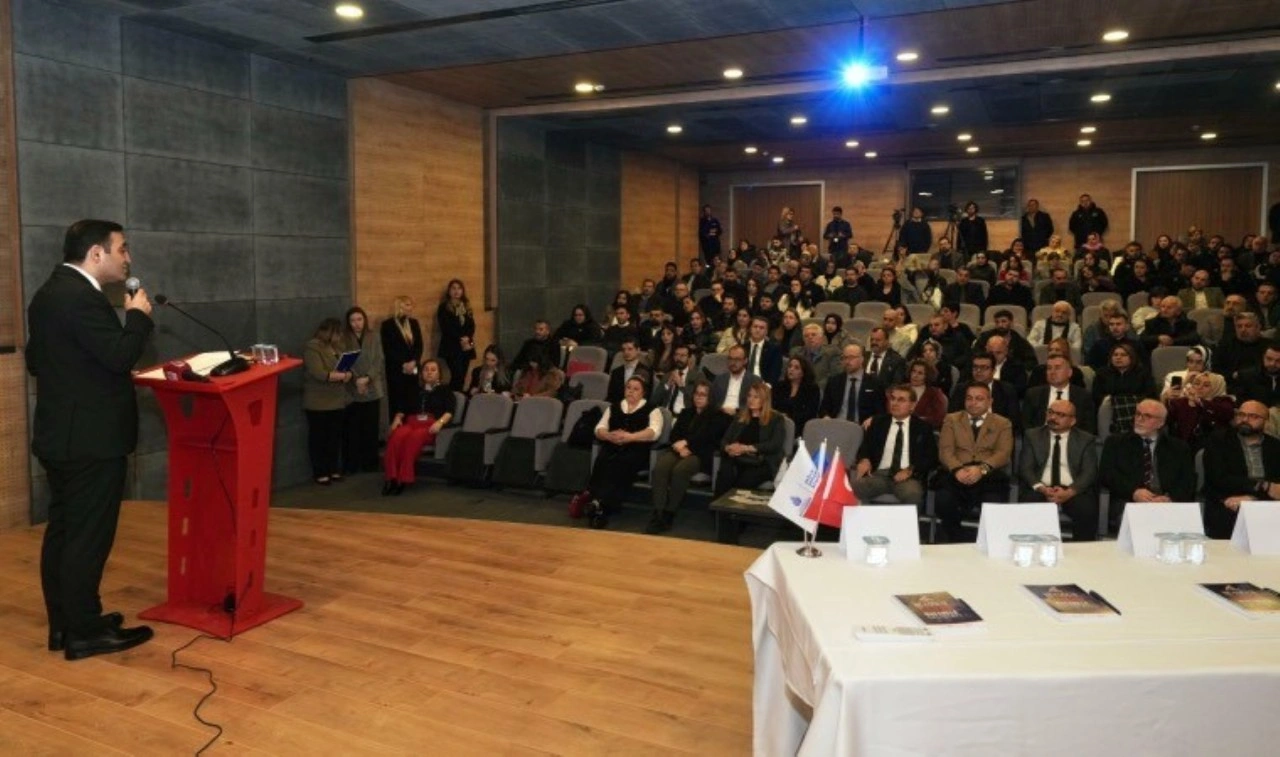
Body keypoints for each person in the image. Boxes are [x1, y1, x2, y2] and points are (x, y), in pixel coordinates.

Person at [27, 218, 156, 660]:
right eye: (122, 249)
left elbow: (39, 360)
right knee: (88, 538)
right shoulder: (82, 298)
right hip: (91, 440)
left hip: (61, 436)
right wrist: (137, 317)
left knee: (65, 532)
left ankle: (66, 624)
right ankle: (85, 632)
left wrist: (93, 374)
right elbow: (119, 355)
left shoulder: (48, 293)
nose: (128, 258)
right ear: (96, 254)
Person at [647, 381, 730, 534]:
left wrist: (687, 444)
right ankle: (658, 512)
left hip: (700, 454)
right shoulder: (686, 412)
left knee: (680, 470)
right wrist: (680, 447)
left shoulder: (719, 416)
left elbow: (709, 438)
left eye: (703, 394)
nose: (699, 397)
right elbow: (674, 435)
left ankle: (669, 512)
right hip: (679, 450)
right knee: (660, 467)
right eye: (697, 393)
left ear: (711, 397)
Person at [936, 383, 1014, 542]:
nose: (973, 403)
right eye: (969, 398)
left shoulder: (1003, 423)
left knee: (994, 501)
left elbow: (1003, 453)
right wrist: (957, 470)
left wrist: (981, 469)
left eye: (979, 399)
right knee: (944, 500)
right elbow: (946, 451)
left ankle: (990, 542)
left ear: (990, 401)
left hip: (988, 474)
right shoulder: (951, 419)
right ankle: (954, 539)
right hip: (957, 472)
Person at [581, 376, 662, 529]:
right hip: (612, 445)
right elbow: (599, 428)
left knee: (621, 463)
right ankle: (599, 506)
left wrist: (630, 437)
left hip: (636, 449)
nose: (631, 391)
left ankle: (599, 504)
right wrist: (608, 436)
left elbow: (654, 432)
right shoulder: (614, 407)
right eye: (628, 388)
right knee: (602, 460)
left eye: (636, 389)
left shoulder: (653, 409)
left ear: (643, 393)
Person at [1019, 400, 1100, 541]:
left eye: (1060, 415)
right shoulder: (1032, 435)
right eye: (1050, 412)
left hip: (1072, 489)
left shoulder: (1085, 439)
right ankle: (1030, 547)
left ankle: (1083, 551)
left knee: (1086, 510)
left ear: (1072, 421)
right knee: (1029, 502)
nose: (1053, 418)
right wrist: (1042, 488)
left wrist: (1069, 492)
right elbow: (1026, 468)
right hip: (1041, 488)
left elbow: (1089, 472)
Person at [1098, 399, 1196, 513]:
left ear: (1161, 423)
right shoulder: (1115, 443)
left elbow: (1187, 481)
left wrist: (1169, 498)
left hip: (1167, 503)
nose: (1140, 419)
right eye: (1138, 414)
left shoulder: (1179, 448)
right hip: (1129, 500)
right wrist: (1133, 492)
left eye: (1147, 416)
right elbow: (1107, 475)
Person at [1202, 401, 1280, 538]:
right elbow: (1218, 479)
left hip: (1268, 506)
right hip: (1227, 501)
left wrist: (1253, 498)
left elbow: (1277, 488)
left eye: (1253, 416)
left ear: (1266, 422)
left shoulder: (1275, 446)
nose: (1245, 420)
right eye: (1241, 415)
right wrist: (1263, 486)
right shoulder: (1218, 441)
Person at [852, 385, 938, 505]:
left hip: (907, 477)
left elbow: (931, 458)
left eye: (901, 400)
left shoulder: (922, 428)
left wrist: (910, 470)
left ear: (912, 405)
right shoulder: (878, 423)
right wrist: (865, 460)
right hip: (879, 475)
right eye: (893, 399)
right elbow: (865, 448)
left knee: (912, 493)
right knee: (854, 486)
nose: (895, 403)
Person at [382, 359, 455, 496]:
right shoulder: (415, 389)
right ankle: (391, 478)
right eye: (426, 369)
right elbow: (403, 407)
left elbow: (450, 411)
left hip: (429, 425)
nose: (429, 372)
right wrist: (397, 418)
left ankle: (403, 478)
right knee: (396, 436)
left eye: (433, 370)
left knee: (413, 438)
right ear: (421, 373)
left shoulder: (445, 390)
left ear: (439, 373)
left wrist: (440, 422)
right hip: (412, 422)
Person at [714, 383, 787, 496]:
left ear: (764, 400)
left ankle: (733, 506)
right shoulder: (740, 417)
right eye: (749, 396)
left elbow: (775, 444)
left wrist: (746, 448)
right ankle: (718, 506)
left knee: (744, 480)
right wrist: (729, 448)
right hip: (738, 458)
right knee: (725, 473)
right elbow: (725, 440)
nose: (751, 400)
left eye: (756, 397)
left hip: (762, 461)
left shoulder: (776, 419)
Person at [303, 318, 352, 486]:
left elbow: (345, 366)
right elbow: (319, 373)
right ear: (328, 332)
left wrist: (348, 373)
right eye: (337, 333)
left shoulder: (337, 347)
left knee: (334, 437)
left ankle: (333, 469)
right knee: (319, 439)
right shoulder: (312, 347)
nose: (339, 336)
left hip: (337, 400)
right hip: (318, 401)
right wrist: (342, 375)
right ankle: (320, 472)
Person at [342, 306, 385, 474]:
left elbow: (378, 360)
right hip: (352, 389)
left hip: (372, 386)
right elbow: (344, 361)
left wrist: (367, 378)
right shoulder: (344, 339)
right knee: (352, 429)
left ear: (364, 320)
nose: (356, 323)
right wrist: (357, 379)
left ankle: (370, 463)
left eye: (359, 319)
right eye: (353, 320)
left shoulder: (374, 336)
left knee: (371, 428)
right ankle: (352, 464)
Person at [1024, 355, 1097, 433]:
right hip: (1041, 438)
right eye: (1049, 368)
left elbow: (1088, 429)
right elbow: (1027, 427)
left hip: (1073, 439)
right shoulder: (1033, 395)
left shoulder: (1083, 396)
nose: (1052, 372)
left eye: (1057, 368)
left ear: (1069, 372)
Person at [1165, 371, 1234, 452]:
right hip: (1183, 447)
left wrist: (1199, 401)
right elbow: (1165, 419)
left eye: (1206, 385)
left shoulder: (1224, 402)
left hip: (1212, 448)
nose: (1199, 387)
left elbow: (1225, 413)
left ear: (1216, 388)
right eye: (1197, 383)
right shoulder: (1181, 402)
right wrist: (1166, 399)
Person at [380, 295, 424, 423]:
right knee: (397, 401)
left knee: (412, 399)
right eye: (408, 305)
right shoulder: (388, 325)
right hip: (396, 370)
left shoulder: (414, 323)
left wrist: (414, 361)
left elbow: (419, 345)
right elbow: (388, 349)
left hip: (413, 368)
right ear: (400, 306)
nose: (411, 308)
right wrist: (403, 364)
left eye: (411, 305)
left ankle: (411, 427)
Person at [819, 343, 886, 423]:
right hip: (837, 424)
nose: (847, 361)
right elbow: (824, 408)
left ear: (862, 359)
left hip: (862, 426)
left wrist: (872, 419)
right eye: (845, 358)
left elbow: (881, 411)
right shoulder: (834, 382)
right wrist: (826, 416)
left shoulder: (874, 383)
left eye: (851, 357)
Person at [436, 278, 476, 392]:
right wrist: (461, 338)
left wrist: (468, 338)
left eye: (459, 288)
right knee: (456, 375)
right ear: (449, 291)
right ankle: (452, 397)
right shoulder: (444, 307)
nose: (456, 291)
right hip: (452, 346)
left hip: (466, 346)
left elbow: (471, 325)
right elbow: (446, 327)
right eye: (453, 288)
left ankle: (459, 397)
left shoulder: (466, 306)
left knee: (462, 376)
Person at [773, 356, 822, 435]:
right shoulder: (779, 386)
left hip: (800, 428)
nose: (791, 369)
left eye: (796, 368)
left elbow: (810, 414)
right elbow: (772, 407)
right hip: (777, 424)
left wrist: (788, 418)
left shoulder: (812, 390)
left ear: (803, 372)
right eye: (790, 366)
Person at [710, 344, 761, 414]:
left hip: (742, 416)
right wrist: (721, 409)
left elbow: (757, 405)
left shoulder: (754, 381)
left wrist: (736, 411)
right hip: (720, 414)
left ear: (745, 361)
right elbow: (712, 401)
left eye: (737, 359)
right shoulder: (719, 379)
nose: (733, 362)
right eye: (730, 359)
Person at [606, 337, 652, 404]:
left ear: (638, 350)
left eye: (630, 349)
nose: (626, 352)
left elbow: (646, 396)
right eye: (624, 350)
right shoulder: (616, 372)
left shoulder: (646, 371)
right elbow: (611, 396)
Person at [906, 359, 948, 430]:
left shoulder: (935, 393)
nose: (915, 375)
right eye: (913, 371)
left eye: (920, 373)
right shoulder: (900, 389)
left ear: (927, 376)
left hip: (922, 430)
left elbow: (939, 418)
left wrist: (918, 420)